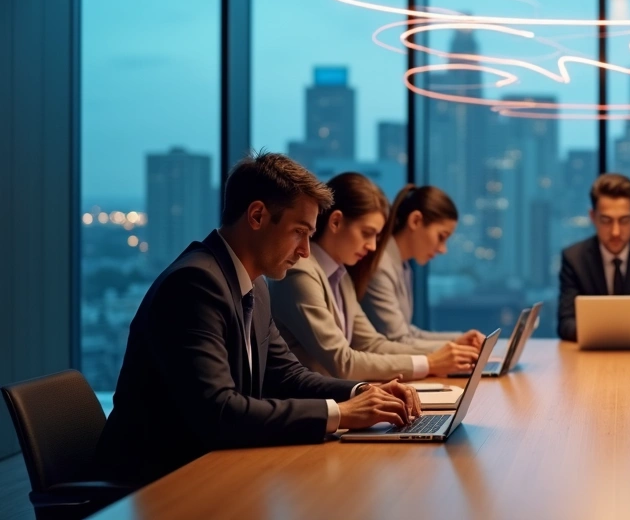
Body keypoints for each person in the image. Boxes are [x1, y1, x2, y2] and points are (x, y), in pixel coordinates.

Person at [94, 153, 421, 486]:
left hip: (213, 471)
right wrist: (340, 414)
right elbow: (220, 412)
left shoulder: (254, 284)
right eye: (299, 232)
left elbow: (286, 375)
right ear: (257, 215)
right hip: (155, 484)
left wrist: (362, 391)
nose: (306, 251)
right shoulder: (194, 284)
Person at [269, 173, 481, 380]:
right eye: (367, 233)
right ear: (335, 222)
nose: (372, 246)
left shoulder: (340, 276)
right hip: (312, 407)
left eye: (376, 236)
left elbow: (372, 344)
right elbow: (343, 362)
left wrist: (446, 352)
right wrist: (430, 363)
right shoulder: (301, 273)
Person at [357, 184, 484, 351]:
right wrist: (456, 349)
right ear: (415, 221)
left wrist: (458, 340)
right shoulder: (381, 267)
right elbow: (398, 340)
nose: (442, 249)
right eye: (441, 237)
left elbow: (407, 332)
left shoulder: (401, 265)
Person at [557, 173, 630, 341]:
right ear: (593, 217)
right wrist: (619, 333)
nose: (615, 232)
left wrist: (612, 332)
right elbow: (565, 324)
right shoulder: (574, 258)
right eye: (606, 220)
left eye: (624, 220)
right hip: (592, 356)